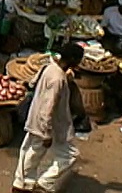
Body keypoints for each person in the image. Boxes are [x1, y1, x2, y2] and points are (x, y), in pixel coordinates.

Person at [12, 43, 84, 193]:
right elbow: (48, 107)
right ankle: (43, 182)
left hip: (35, 118)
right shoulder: (58, 79)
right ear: (72, 59)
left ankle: (21, 183)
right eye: (78, 60)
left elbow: (32, 82)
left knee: (28, 151)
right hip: (47, 124)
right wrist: (46, 133)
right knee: (68, 154)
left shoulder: (49, 67)